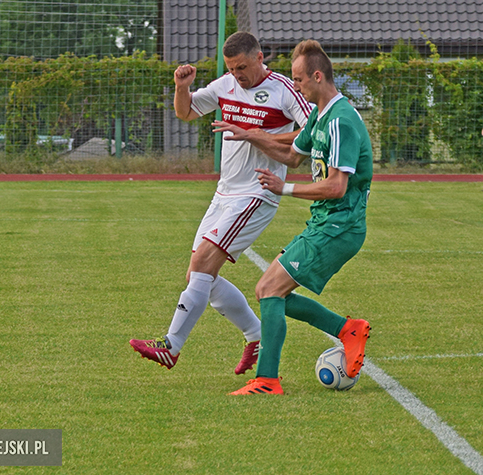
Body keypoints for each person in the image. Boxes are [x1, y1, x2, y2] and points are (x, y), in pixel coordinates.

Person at [130, 31, 312, 374]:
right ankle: (255, 335)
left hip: (257, 192)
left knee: (202, 265)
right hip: (224, 192)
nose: (237, 74)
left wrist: (257, 135)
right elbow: (186, 113)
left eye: (242, 66)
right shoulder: (226, 84)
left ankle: (171, 345)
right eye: (231, 68)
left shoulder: (284, 90)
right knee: (199, 275)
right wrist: (181, 86)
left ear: (260, 58)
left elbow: (314, 129)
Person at [213, 39, 373, 396]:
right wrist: (250, 136)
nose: (294, 86)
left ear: (317, 76)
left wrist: (282, 190)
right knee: (268, 291)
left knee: (269, 289)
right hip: (325, 223)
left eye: (299, 79)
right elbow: (293, 154)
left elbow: (335, 187)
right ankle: (347, 329)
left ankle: (268, 380)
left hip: (339, 225)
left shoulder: (341, 121)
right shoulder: (321, 114)